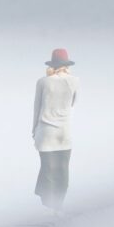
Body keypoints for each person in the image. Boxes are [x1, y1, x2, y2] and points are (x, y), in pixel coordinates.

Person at [31, 46, 77, 209]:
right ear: (67, 64)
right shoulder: (75, 81)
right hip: (64, 133)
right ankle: (58, 206)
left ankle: (48, 207)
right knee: (62, 172)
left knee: (47, 171)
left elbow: (37, 107)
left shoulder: (42, 82)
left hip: (45, 133)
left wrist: (33, 130)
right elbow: (72, 104)